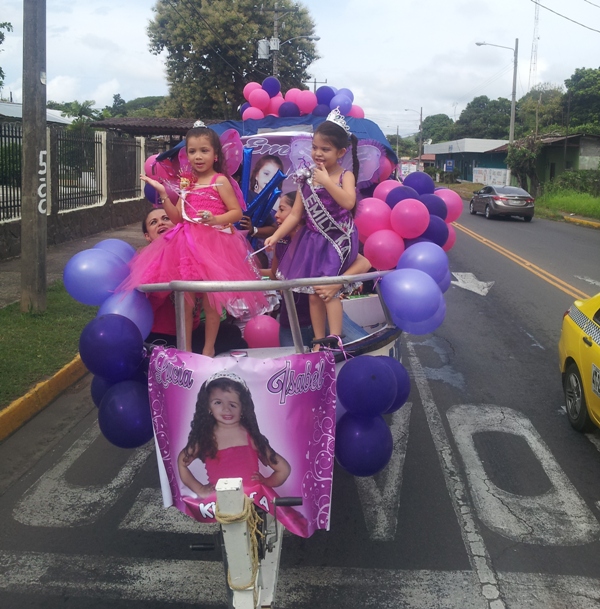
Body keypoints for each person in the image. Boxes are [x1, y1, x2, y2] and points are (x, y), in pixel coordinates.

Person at [122, 122, 269, 356]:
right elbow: (178, 217)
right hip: (187, 246)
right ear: (187, 155)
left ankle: (209, 349)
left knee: (212, 302)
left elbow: (236, 212)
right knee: (186, 302)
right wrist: (164, 194)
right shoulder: (187, 183)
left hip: (214, 246)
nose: (198, 156)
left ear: (215, 154)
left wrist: (216, 218)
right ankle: (187, 349)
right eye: (192, 151)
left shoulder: (219, 180)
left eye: (204, 151)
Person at [264, 109, 360, 350]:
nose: (318, 153)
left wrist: (327, 181)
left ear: (341, 152)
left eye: (325, 149)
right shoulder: (305, 177)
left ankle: (335, 338)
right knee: (312, 293)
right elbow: (295, 214)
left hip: (337, 240)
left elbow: (349, 202)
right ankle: (319, 341)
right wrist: (276, 235)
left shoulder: (345, 175)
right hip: (312, 241)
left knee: (328, 291)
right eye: (315, 147)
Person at [141, 208, 248, 355]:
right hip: (163, 334)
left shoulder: (191, 252)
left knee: (233, 334)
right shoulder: (147, 259)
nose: (160, 223)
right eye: (153, 222)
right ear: (147, 236)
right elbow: (150, 302)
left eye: (166, 218)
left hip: (192, 331)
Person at [177, 371, 291, 498]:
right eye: (218, 402)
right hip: (220, 503)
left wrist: (266, 482)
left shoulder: (251, 437)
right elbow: (182, 462)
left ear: (243, 408)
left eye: (233, 404)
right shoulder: (205, 438)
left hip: (252, 502)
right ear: (208, 406)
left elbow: (284, 469)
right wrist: (200, 490)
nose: (226, 409)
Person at [238, 155, 285, 267]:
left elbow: (274, 229)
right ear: (256, 174)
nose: (269, 179)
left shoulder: (280, 202)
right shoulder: (244, 195)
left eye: (274, 176)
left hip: (261, 253)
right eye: (266, 174)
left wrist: (253, 230)